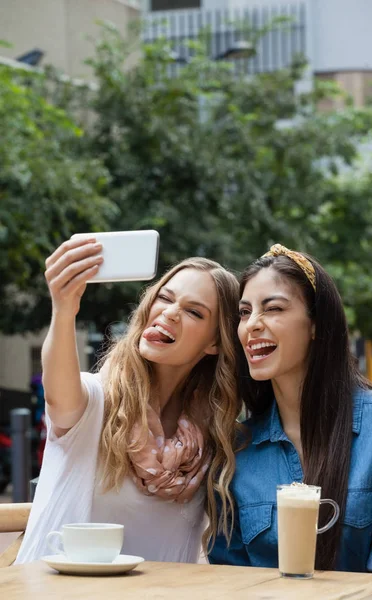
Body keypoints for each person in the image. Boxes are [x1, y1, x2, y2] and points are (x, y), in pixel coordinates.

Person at [16, 236, 241, 563]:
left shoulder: (213, 440)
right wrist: (64, 309)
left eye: (193, 311)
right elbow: (59, 397)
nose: (170, 312)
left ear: (215, 344)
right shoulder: (96, 402)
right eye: (165, 297)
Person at [209, 243, 372, 574]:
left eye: (273, 308)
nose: (251, 325)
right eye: (244, 312)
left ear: (315, 325)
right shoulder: (235, 449)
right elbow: (230, 575)